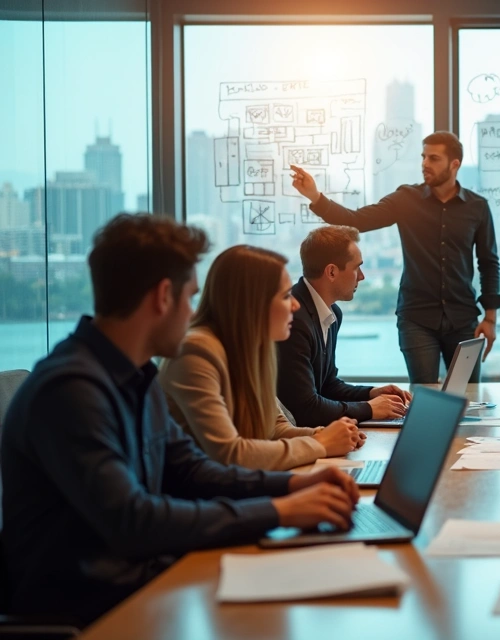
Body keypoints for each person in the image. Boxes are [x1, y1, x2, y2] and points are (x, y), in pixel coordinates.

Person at [0, 214, 359, 626]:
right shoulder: (70, 390)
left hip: (146, 586)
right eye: (190, 297)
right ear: (162, 297)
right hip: (93, 613)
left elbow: (192, 470)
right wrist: (281, 511)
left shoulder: (134, 375)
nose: (195, 313)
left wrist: (297, 484)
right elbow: (135, 521)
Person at [290, 131, 500, 383]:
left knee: (469, 397)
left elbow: (489, 263)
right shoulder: (406, 199)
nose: (425, 163)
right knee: (423, 397)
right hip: (417, 319)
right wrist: (316, 197)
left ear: (454, 164)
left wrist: (490, 318)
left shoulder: (477, 206)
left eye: (434, 158)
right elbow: (356, 219)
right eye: (423, 157)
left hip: (463, 318)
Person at [161, 245, 365, 470]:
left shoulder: (254, 349)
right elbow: (231, 455)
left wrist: (326, 434)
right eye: (286, 296)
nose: (295, 304)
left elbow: (275, 429)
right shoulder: (195, 353)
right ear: (252, 302)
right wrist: (320, 443)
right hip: (203, 498)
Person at [277, 226, 411, 426]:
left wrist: (371, 393)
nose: (362, 276)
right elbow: (305, 408)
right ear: (331, 272)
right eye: (357, 267)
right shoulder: (294, 320)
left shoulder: (332, 313)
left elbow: (328, 386)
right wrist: (370, 409)